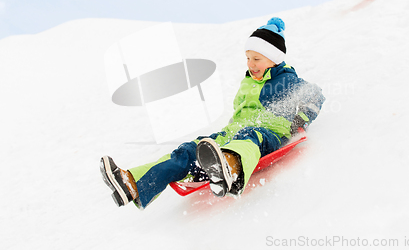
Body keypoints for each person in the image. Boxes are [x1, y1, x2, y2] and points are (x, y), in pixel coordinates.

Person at [100, 17, 325, 209]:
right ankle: (133, 183)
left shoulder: (286, 79)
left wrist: (300, 120)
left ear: (274, 58)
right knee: (191, 150)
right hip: (232, 133)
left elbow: (314, 95)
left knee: (249, 137)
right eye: (248, 58)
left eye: (257, 59)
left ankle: (230, 167)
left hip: (267, 132)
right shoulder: (247, 82)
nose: (250, 64)